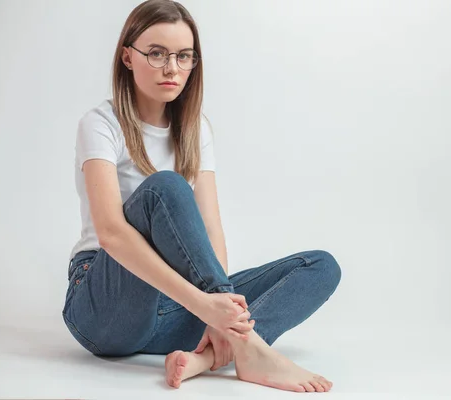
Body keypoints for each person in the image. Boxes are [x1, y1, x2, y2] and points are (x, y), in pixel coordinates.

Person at [62, 0, 341, 393]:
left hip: (175, 306)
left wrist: (216, 309)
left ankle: (207, 357)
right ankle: (251, 349)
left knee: (321, 266)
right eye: (156, 53)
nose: (172, 68)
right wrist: (209, 303)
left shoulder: (195, 130)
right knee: (167, 187)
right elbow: (111, 232)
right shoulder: (100, 124)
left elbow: (211, 228)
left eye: (184, 56)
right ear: (128, 56)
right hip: (105, 306)